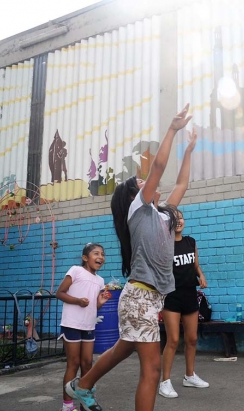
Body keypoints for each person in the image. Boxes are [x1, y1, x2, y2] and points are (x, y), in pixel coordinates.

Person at [65, 104, 197, 411]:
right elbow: (160, 169)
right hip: (140, 298)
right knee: (151, 370)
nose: (148, 182)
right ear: (135, 194)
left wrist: (189, 150)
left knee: (122, 349)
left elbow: (181, 184)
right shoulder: (137, 210)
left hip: (148, 299)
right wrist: (173, 130)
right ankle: (81, 386)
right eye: (141, 182)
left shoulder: (164, 215)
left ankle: (82, 386)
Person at [158, 209, 209, 398]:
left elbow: (195, 264)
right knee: (172, 340)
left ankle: (189, 376)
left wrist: (201, 275)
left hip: (190, 295)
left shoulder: (191, 242)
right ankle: (165, 382)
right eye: (174, 218)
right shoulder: (164, 244)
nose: (178, 221)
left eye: (180, 217)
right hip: (171, 296)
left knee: (192, 338)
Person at [56, 243, 111, 411]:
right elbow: (60, 293)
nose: (100, 257)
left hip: (88, 325)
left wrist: (99, 303)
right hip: (72, 323)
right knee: (73, 363)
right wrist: (77, 301)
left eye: (102, 254)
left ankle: (85, 404)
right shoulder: (75, 271)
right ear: (85, 258)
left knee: (87, 364)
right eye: (96, 253)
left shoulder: (100, 280)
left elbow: (93, 306)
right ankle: (67, 406)